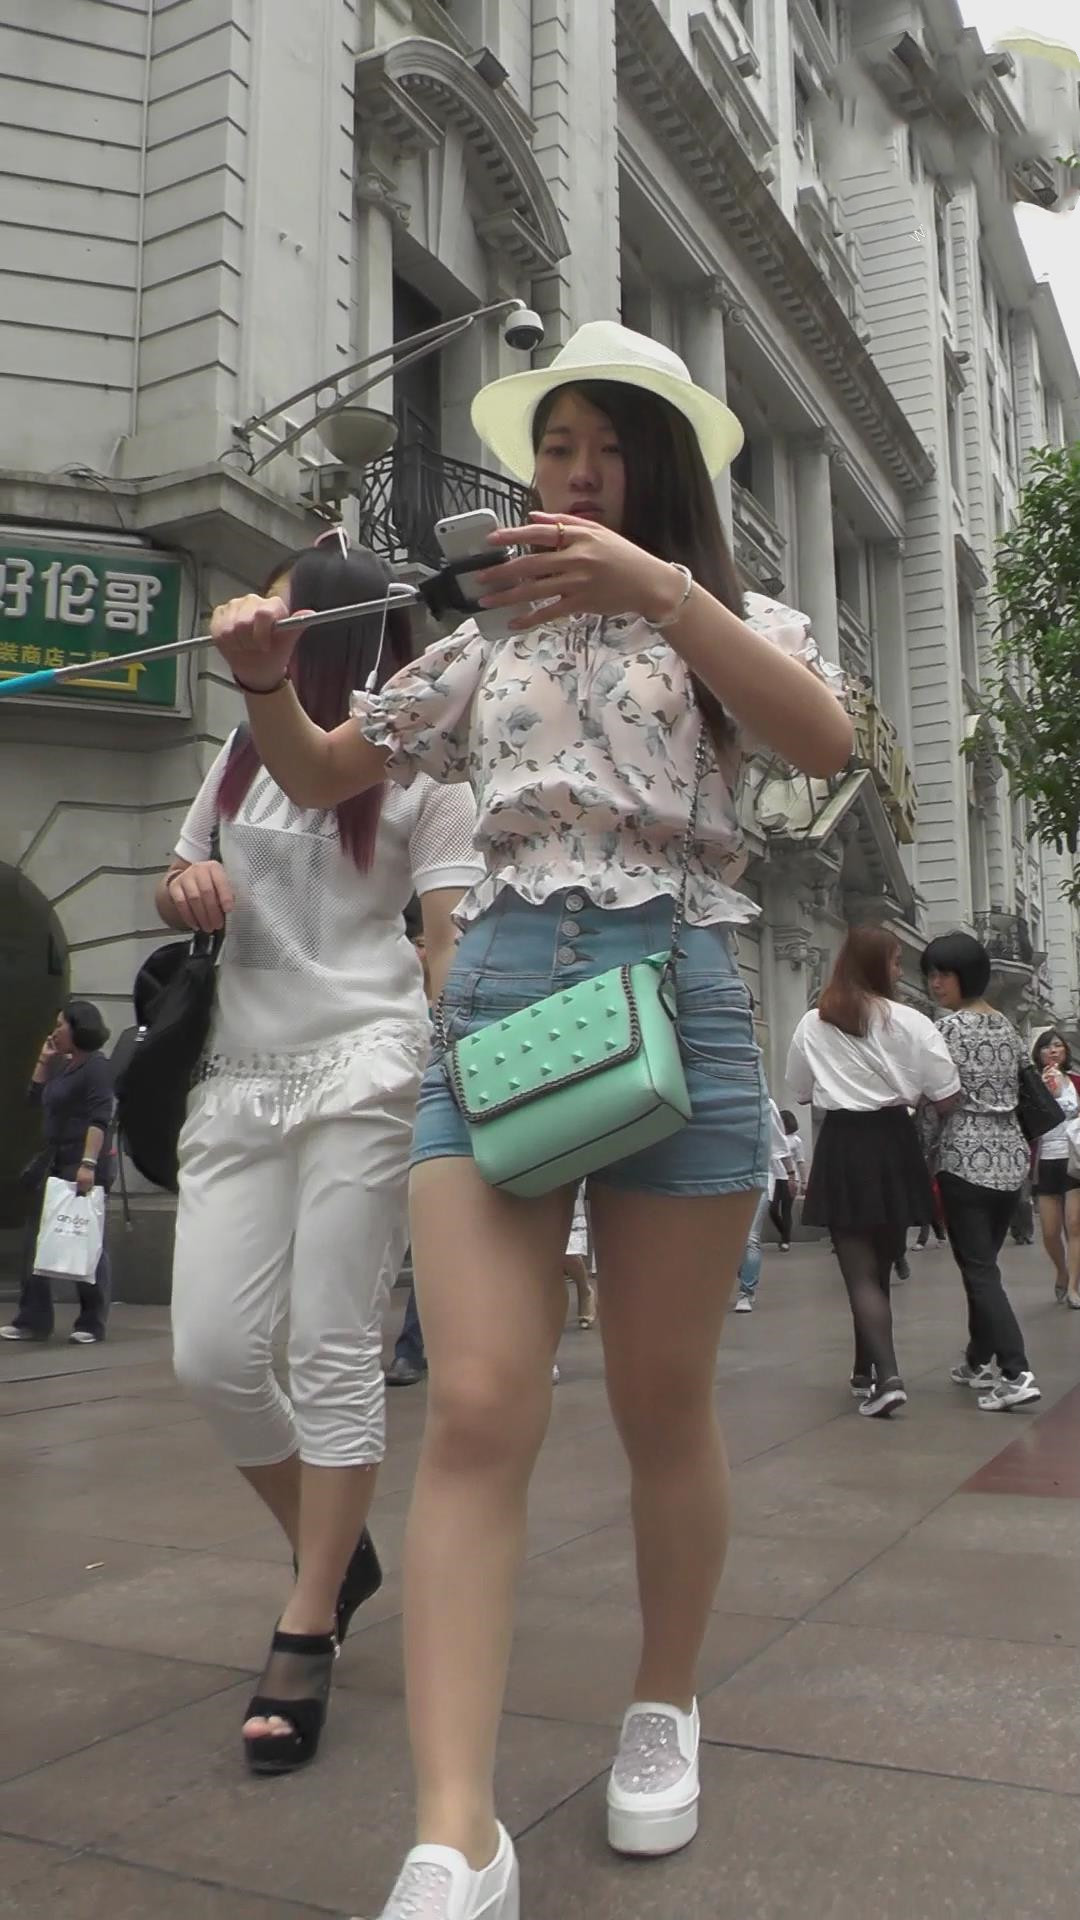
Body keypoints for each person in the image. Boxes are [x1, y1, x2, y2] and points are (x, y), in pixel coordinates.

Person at [210, 318, 851, 1919]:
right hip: (498, 1001)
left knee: (660, 1403)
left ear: (661, 469)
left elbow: (824, 742)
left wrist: (664, 595)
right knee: (481, 1404)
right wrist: (266, 686)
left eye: (610, 448)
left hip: (680, 997)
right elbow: (325, 769)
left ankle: (664, 1700)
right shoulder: (480, 640)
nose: (577, 473)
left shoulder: (733, 617)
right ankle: (455, 1834)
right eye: (558, 447)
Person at [163, 539, 482, 1776]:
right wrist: (191, 885)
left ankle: (307, 1623)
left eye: (286, 609)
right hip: (239, 1071)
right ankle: (338, 1553)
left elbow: (445, 941)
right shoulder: (241, 751)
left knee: (334, 1343)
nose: (261, 618)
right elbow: (179, 874)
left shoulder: (423, 763)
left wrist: (466, 1087)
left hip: (369, 1067)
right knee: (213, 1355)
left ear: (332, 631)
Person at [787, 928, 962, 1418]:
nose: (900, 971)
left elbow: (799, 1090)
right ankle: (869, 1369)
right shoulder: (912, 1021)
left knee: (859, 1271)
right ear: (875, 965)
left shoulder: (813, 1022)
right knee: (880, 1265)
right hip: (893, 1140)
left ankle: (883, 1376)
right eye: (896, 961)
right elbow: (947, 1093)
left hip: (844, 1141)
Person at [920, 934, 1043, 1404]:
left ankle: (1016, 1372)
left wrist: (922, 1152)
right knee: (983, 1266)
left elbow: (935, 1101)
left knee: (978, 1270)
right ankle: (977, 1360)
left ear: (965, 976)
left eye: (943, 974)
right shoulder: (1008, 1027)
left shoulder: (946, 1030)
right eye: (931, 974)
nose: (935, 983)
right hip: (1011, 1161)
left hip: (964, 1160)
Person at [2, 1000, 115, 1345]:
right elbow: (35, 1098)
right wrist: (44, 1060)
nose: (55, 1031)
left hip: (81, 1160)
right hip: (53, 1159)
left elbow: (100, 1117)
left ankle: (91, 1321)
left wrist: (88, 1164)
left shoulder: (96, 1067)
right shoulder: (64, 1066)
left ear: (79, 1027)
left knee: (86, 1237)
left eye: (61, 1024)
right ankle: (33, 1318)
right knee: (37, 1237)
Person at [1029, 1028, 1080, 1307]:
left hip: (1074, 1161)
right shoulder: (1032, 1085)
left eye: (1058, 1045)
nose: (1053, 1050)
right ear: (1039, 1053)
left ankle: (1073, 1287)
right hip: (1045, 1160)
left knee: (1074, 1225)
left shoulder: (1076, 1081)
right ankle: (1061, 1270)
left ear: (1066, 1051)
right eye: (1047, 1047)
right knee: (1050, 1232)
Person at [734, 1099, 795, 1310]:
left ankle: (746, 1292)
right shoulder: (720, 1100)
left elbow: (779, 1144)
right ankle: (745, 1273)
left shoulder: (764, 1103)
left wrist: (791, 1174)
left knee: (750, 1238)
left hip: (758, 1179)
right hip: (726, 1180)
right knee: (732, 1240)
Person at [767, 1108, 805, 1251]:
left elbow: (800, 1161)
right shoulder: (774, 1139)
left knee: (786, 1210)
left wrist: (803, 1181)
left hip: (790, 1178)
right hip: (775, 1177)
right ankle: (784, 1233)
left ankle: (785, 1241)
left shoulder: (795, 1140)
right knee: (772, 1209)